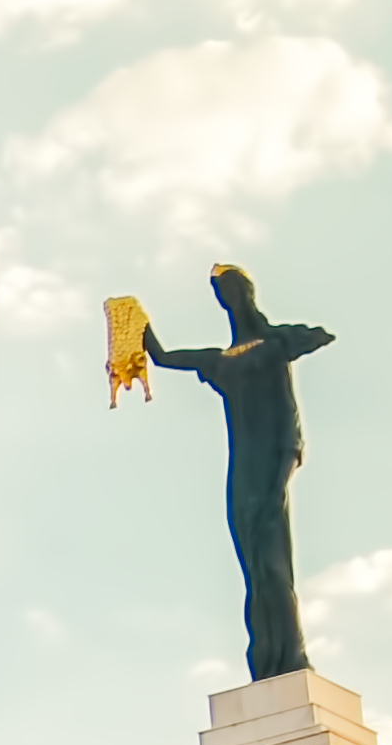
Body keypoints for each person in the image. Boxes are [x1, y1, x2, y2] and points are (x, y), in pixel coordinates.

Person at [132, 265, 335, 683]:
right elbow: (165, 357)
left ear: (247, 293)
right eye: (221, 292)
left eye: (233, 289)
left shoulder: (274, 344)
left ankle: (292, 656)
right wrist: (131, 317)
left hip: (272, 459)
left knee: (275, 565)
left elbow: (309, 356)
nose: (228, 298)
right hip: (242, 469)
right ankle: (266, 659)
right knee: (255, 567)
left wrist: (285, 464)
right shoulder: (221, 361)